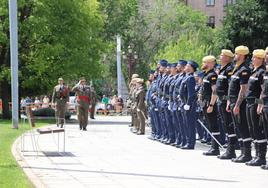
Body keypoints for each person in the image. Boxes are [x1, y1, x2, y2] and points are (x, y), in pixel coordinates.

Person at [226, 45, 252, 163]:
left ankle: (246, 153)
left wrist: (237, 105)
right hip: (232, 102)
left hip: (239, 104)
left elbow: (243, 89)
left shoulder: (244, 70)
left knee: (242, 127)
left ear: (241, 55)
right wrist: (229, 102)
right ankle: (242, 153)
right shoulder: (236, 69)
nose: (234, 56)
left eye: (236, 54)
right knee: (237, 128)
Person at [245, 49, 267, 166]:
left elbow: (263, 90)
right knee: (252, 129)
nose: (252, 59)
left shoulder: (262, 72)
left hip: (255, 104)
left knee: (258, 129)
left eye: (255, 57)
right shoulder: (254, 71)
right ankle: (257, 155)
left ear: (260, 59)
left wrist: (259, 104)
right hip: (250, 103)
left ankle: (261, 156)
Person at [216, 49, 238, 160]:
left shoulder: (229, 70)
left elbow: (230, 87)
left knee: (229, 125)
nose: (220, 57)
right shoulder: (222, 69)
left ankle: (231, 150)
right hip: (221, 101)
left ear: (228, 58)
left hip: (226, 101)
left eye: (222, 55)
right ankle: (229, 150)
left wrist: (228, 101)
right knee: (225, 124)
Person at [199, 55, 220, 156]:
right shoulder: (206, 74)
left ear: (211, 63)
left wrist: (211, 104)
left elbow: (214, 91)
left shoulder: (212, 75)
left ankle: (215, 148)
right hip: (205, 103)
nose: (203, 64)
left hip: (209, 103)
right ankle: (213, 147)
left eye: (205, 62)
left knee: (213, 125)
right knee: (210, 125)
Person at [179, 60, 198, 149]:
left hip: (188, 105)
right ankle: (187, 142)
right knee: (186, 124)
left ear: (191, 68)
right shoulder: (186, 77)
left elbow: (191, 93)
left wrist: (188, 104)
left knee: (190, 125)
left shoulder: (190, 78)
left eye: (187, 65)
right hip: (184, 104)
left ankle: (190, 143)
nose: (185, 66)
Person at [259, 47, 268, 170]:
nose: (266, 56)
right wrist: (260, 104)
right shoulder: (266, 71)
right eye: (266, 54)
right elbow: (263, 90)